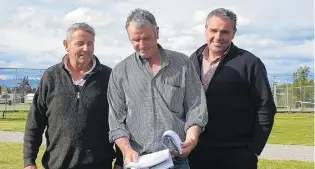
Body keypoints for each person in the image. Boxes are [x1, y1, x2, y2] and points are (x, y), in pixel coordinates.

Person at [107, 8, 208, 169]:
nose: (142, 45)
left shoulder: (182, 64)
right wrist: (127, 151)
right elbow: (116, 122)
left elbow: (196, 107)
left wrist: (192, 139)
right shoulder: (120, 72)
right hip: (138, 161)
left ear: (157, 32)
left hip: (177, 160)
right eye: (135, 40)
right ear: (129, 38)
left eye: (147, 38)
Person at [23, 23, 122, 169]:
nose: (86, 49)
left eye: (90, 44)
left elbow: (121, 122)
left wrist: (120, 161)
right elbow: (35, 122)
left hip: (100, 165)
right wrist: (29, 161)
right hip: (56, 165)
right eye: (80, 43)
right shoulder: (51, 77)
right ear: (66, 44)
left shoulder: (109, 77)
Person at [188, 8, 277, 169]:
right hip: (197, 154)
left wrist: (253, 150)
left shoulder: (249, 63)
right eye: (213, 30)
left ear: (233, 33)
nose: (218, 37)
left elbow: (266, 107)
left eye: (225, 32)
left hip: (236, 156)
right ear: (205, 30)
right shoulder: (193, 61)